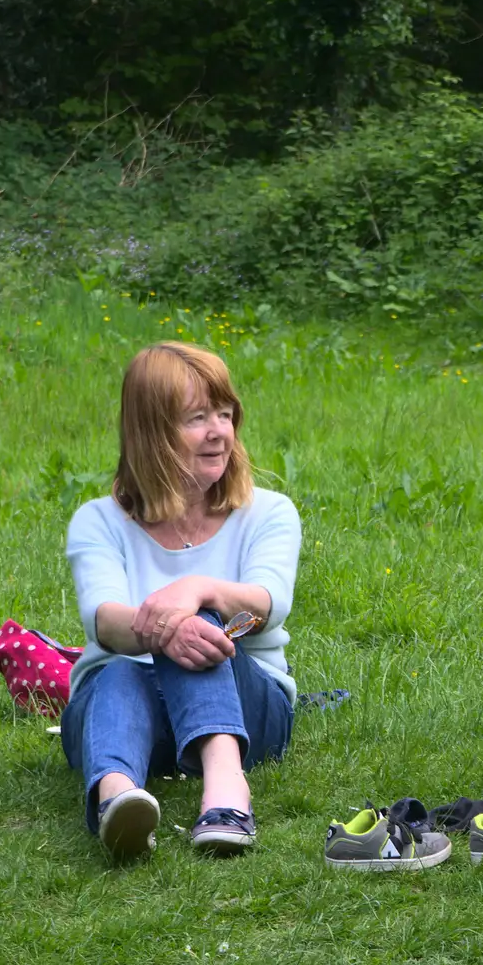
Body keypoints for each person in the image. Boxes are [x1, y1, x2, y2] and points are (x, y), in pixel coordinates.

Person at [60, 342, 301, 860]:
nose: (219, 431)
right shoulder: (98, 522)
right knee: (120, 668)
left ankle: (227, 787)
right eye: (197, 418)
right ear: (151, 434)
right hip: (119, 712)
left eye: (225, 413)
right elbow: (104, 622)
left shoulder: (270, 513)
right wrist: (164, 629)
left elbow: (268, 602)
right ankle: (118, 800)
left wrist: (195, 592)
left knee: (204, 620)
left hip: (249, 709)